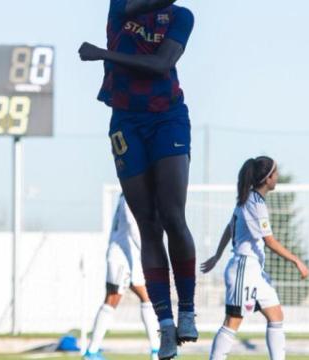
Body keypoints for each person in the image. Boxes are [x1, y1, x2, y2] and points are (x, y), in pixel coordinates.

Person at [79, 1, 196, 359]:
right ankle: (164, 326)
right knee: (148, 224)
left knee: (173, 216)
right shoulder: (122, 6)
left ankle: (187, 309)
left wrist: (104, 55)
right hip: (126, 121)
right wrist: (108, 56)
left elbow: (163, 64)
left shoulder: (181, 16)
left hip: (167, 118)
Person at [201, 156, 309, 360]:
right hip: (244, 268)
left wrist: (217, 255)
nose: (277, 177)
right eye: (275, 173)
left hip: (254, 272)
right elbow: (269, 241)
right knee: (232, 322)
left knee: (276, 315)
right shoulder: (254, 203)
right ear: (267, 178)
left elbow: (229, 227)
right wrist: (296, 260)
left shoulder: (250, 199)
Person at [83, 194, 160, 360]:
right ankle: (91, 352)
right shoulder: (132, 193)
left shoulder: (132, 190)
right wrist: (149, 250)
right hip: (121, 258)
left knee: (147, 298)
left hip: (130, 257)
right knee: (112, 300)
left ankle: (156, 350)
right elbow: (133, 226)